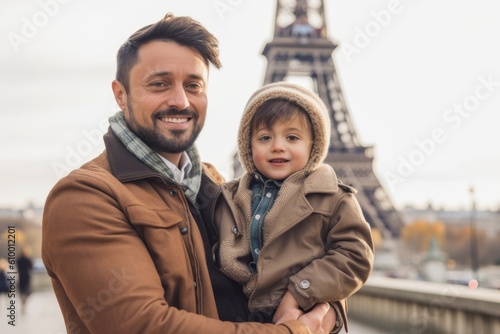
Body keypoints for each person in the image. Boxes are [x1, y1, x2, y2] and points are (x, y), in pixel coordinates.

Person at [42, 13, 335, 334]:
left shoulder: (217, 185)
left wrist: (317, 302)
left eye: (193, 85)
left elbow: (308, 254)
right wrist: (296, 331)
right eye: (159, 83)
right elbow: (144, 326)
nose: (180, 101)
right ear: (120, 94)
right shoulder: (83, 198)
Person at [211, 82, 375, 333]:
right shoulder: (228, 198)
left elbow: (356, 255)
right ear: (248, 145)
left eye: (292, 137)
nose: (278, 146)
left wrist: (300, 291)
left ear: (314, 146)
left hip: (298, 314)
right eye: (265, 138)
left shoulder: (334, 198)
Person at [17, 247, 34, 313]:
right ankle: (24, 300)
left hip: (21, 276)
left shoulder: (19, 259)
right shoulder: (28, 259)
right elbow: (31, 266)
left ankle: (23, 299)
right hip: (27, 276)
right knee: (26, 290)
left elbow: (17, 267)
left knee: (22, 290)